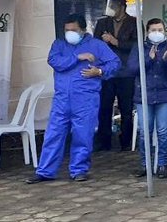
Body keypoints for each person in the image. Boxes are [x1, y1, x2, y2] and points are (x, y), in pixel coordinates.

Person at [27, 14, 120, 183]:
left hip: (85, 99)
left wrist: (99, 71)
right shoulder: (59, 44)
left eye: (74, 30)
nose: (70, 33)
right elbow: (54, 61)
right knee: (53, 134)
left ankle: (78, 170)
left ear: (83, 30)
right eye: (67, 30)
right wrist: (77, 57)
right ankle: (45, 171)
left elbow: (115, 63)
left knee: (82, 135)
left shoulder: (97, 45)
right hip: (62, 98)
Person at [124, 18, 167, 179]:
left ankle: (162, 165)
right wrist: (149, 59)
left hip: (165, 95)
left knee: (163, 131)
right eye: (153, 30)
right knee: (145, 131)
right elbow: (132, 69)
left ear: (165, 31)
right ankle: (145, 165)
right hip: (144, 95)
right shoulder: (139, 47)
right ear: (147, 32)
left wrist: (166, 61)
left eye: (160, 30)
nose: (157, 33)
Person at [94, 0, 138, 152]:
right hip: (107, 72)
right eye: (109, 5)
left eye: (113, 5)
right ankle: (103, 141)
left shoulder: (134, 23)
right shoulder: (102, 23)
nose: (110, 8)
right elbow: (95, 44)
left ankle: (126, 141)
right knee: (104, 107)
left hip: (126, 72)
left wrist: (116, 42)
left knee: (126, 109)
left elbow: (136, 45)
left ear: (122, 7)